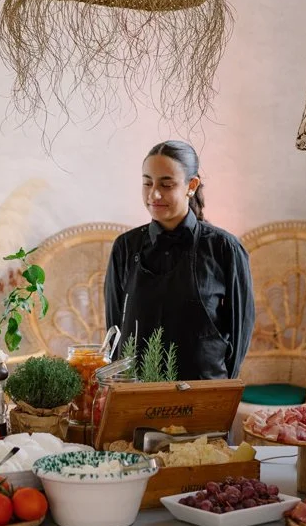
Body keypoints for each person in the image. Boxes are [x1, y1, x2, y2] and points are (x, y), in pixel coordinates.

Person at [105, 140, 254, 380]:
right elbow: (114, 331)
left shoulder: (224, 248)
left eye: (166, 184)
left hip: (202, 391)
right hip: (138, 390)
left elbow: (240, 331)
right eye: (147, 183)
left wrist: (219, 389)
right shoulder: (124, 247)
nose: (154, 194)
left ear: (191, 185)